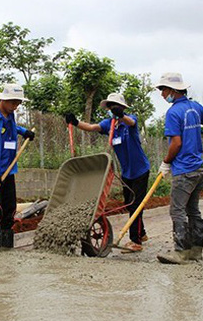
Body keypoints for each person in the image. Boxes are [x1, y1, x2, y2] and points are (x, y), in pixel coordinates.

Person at [65, 93, 151, 252]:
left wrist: (122, 115)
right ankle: (142, 233)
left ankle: (136, 241)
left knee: (136, 205)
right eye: (110, 107)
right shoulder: (109, 124)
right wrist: (75, 122)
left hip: (140, 170)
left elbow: (130, 121)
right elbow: (92, 127)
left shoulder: (129, 122)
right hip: (127, 172)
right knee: (130, 204)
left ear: (122, 108)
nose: (111, 110)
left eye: (114, 107)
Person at [154, 72, 203, 264]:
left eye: (163, 90)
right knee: (193, 210)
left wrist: (166, 162)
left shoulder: (173, 112)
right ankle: (195, 252)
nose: (162, 95)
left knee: (177, 210)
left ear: (173, 90)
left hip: (184, 169)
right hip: (199, 168)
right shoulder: (195, 107)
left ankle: (180, 252)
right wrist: (196, 125)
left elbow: (176, 143)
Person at [0, 84, 35, 251]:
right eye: (13, 103)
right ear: (3, 100)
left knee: (10, 208)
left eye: (18, 103)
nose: (15, 106)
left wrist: (23, 132)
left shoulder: (9, 116)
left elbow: (12, 128)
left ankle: (7, 246)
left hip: (9, 169)